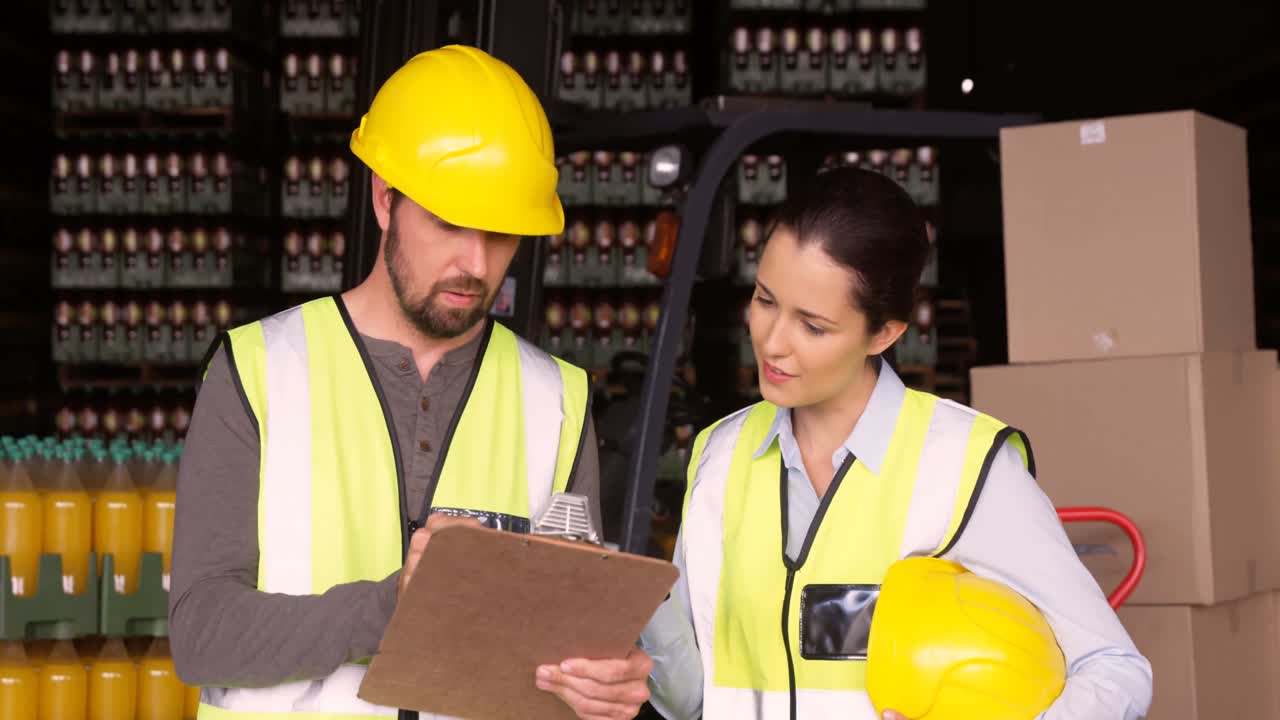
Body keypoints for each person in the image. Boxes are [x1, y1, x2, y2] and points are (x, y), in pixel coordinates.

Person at [169, 45, 652, 720]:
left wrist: (599, 681)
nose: (475, 264)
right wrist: (390, 607)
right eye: (450, 223)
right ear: (384, 198)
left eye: (502, 234)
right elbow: (200, 636)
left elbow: (563, 645)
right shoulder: (257, 371)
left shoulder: (558, 402)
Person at [640, 167, 1154, 719]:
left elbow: (1114, 666)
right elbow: (692, 695)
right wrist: (624, 617)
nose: (771, 341)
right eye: (766, 300)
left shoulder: (964, 466)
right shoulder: (720, 455)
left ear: (883, 333)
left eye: (812, 326)